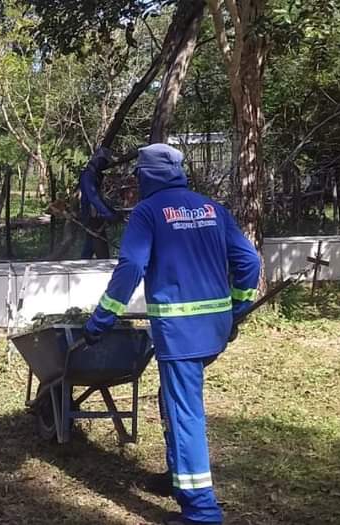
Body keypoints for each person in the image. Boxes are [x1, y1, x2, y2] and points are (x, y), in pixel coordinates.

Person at [82, 144, 261, 525]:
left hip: (180, 333)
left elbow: (131, 265)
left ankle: (201, 511)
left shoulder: (148, 213)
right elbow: (249, 261)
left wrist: (102, 319)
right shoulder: (212, 207)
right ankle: (180, 477)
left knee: (184, 413)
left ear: (145, 176)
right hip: (213, 329)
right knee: (173, 400)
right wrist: (237, 307)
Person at [79, 147, 118, 259]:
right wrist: (109, 214)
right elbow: (93, 197)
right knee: (101, 252)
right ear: (98, 160)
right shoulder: (88, 175)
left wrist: (110, 211)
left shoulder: (95, 175)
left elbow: (99, 197)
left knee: (90, 247)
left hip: (96, 217)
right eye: (104, 161)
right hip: (93, 219)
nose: (104, 165)